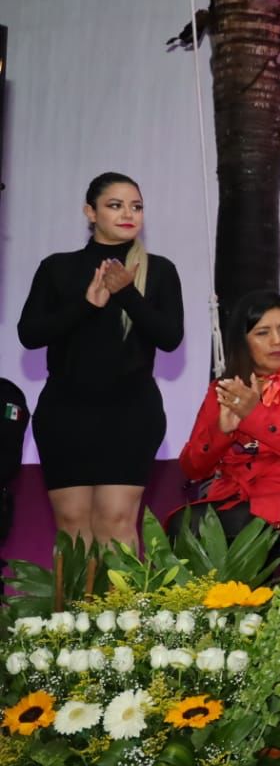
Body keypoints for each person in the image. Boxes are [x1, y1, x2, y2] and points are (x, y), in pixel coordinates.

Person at [17, 172, 184, 546]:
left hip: (130, 413)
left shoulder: (159, 270)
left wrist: (126, 293)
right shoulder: (57, 267)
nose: (128, 214)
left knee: (115, 520)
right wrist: (86, 305)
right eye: (115, 205)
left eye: (136, 207)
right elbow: (30, 334)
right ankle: (75, 591)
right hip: (66, 413)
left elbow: (170, 338)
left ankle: (122, 591)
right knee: (73, 525)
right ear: (90, 213)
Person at [176, 290, 280, 538]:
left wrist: (254, 414)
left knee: (240, 523)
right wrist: (221, 433)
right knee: (183, 525)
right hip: (235, 494)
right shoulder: (223, 389)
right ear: (242, 340)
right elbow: (191, 468)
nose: (277, 341)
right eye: (263, 333)